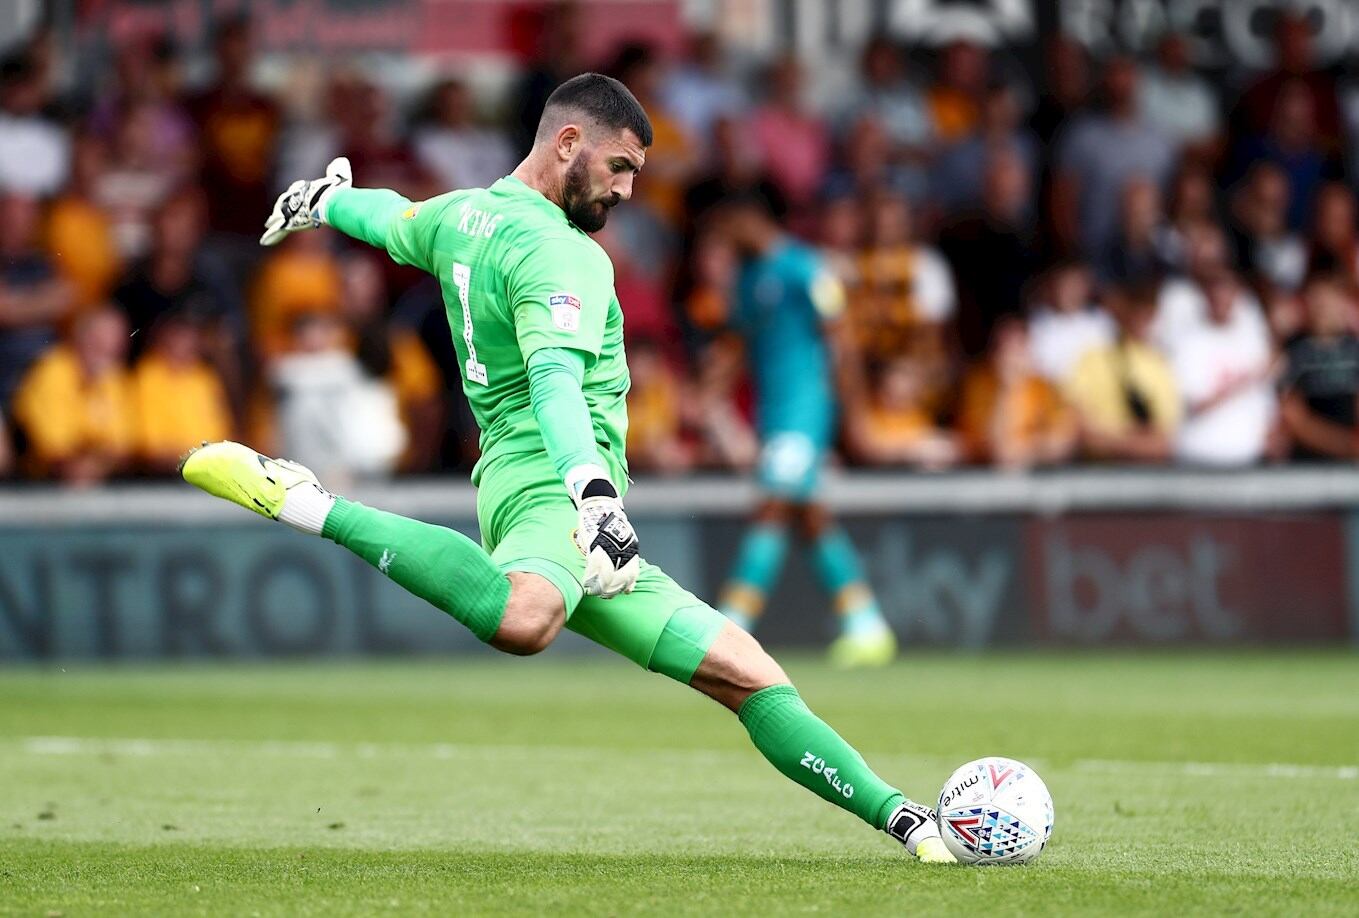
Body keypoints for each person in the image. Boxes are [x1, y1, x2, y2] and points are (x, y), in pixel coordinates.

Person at [180, 73, 954, 864]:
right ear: (568, 143)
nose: (625, 189)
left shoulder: (461, 215)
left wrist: (324, 201)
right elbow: (554, 382)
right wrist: (593, 498)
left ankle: (912, 826)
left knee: (747, 675)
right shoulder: (564, 255)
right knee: (524, 620)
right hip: (551, 485)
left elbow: (389, 219)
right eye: (619, 166)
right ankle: (309, 503)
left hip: (543, 485)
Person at [710, 192, 897, 669]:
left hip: (807, 408)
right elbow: (737, 344)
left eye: (728, 227)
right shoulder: (748, 279)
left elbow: (841, 340)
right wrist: (707, 388)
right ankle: (867, 623)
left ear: (751, 217)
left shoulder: (805, 267)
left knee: (773, 506)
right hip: (774, 415)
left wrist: (853, 415)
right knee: (808, 516)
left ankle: (731, 625)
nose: (724, 242)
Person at [1064, 282, 1181, 463]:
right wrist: (1136, 439)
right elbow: (1078, 431)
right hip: (1094, 475)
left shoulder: (1159, 364)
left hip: (1144, 479)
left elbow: (1163, 443)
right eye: (1137, 309)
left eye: (1149, 311)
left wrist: (1107, 439)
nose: (1143, 318)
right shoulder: (1090, 358)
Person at [1279, 273, 1359, 461]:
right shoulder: (1295, 350)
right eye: (1317, 299)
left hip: (1350, 462)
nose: (1324, 307)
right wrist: (1346, 446)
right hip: (1308, 460)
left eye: (1330, 299)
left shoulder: (1354, 349)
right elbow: (1292, 416)